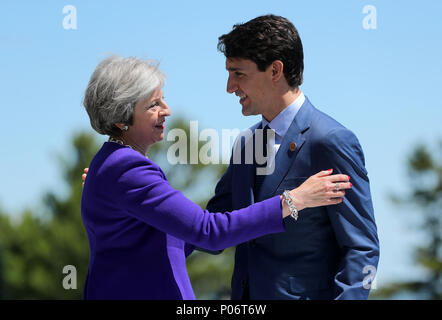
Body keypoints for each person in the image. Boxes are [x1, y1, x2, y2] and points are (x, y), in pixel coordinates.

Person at [80, 55, 351, 300]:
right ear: (121, 120)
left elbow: (175, 242)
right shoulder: (126, 168)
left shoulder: (115, 166)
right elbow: (208, 233)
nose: (167, 110)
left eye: (162, 99)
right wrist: (292, 200)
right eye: (153, 104)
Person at [204, 15, 380, 300]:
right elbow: (212, 225)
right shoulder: (246, 144)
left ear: (275, 71)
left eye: (238, 73)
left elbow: (361, 249)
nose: (229, 86)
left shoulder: (332, 141)